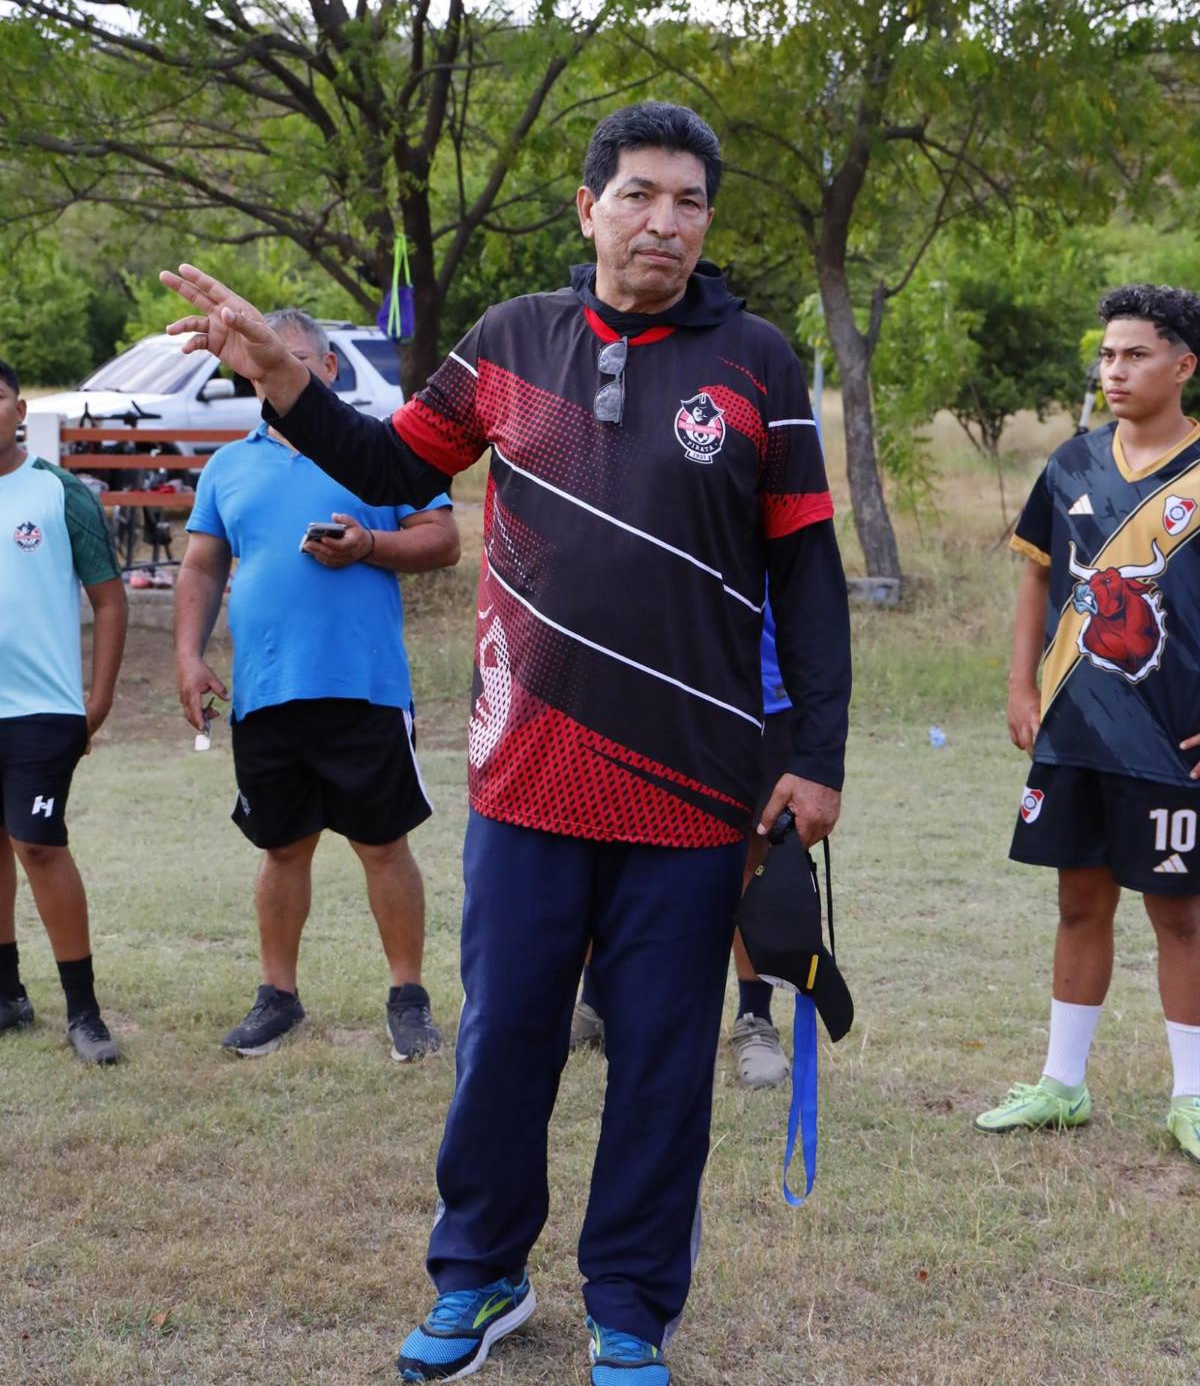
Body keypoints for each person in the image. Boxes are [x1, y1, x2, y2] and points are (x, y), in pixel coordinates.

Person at [161, 101, 852, 1385]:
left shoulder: (756, 360)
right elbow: (384, 465)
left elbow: (806, 572)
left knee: (658, 1062)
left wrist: (815, 754)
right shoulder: (507, 342)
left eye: (690, 201)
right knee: (505, 1044)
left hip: (697, 784)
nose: (665, 221)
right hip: (528, 766)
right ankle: (480, 1277)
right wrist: (281, 377)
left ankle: (632, 1305)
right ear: (588, 208)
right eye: (640, 195)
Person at [174, 309, 459, 1061]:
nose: (278, 373)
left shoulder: (382, 453)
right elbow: (202, 566)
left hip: (363, 686)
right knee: (281, 848)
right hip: (266, 691)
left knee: (383, 845)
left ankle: (408, 999)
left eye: (293, 360)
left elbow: (444, 540)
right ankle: (279, 997)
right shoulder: (230, 465)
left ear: (328, 372)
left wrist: (370, 545)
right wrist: (188, 655)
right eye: (264, 363)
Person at [976, 283, 1200, 1166]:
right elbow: (1037, 577)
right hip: (1076, 731)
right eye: (1106, 354)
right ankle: (1062, 1085)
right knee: (1079, 902)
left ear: (1184, 365)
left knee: (1179, 916)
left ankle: (1191, 1096)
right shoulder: (1070, 463)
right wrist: (1022, 684)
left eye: (1135, 354)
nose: (1114, 370)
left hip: (1172, 738)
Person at [570, 599, 794, 1091]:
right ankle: (598, 1001)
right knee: (609, 841)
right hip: (641, 686)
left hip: (760, 694)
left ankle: (754, 1019)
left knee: (755, 862)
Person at [0, 356, 128, 1065]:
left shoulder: (59, 494)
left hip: (43, 709)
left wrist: (98, 700)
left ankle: (84, 1013)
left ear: (21, 411)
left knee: (40, 846)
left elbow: (110, 600)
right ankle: (7, 994)